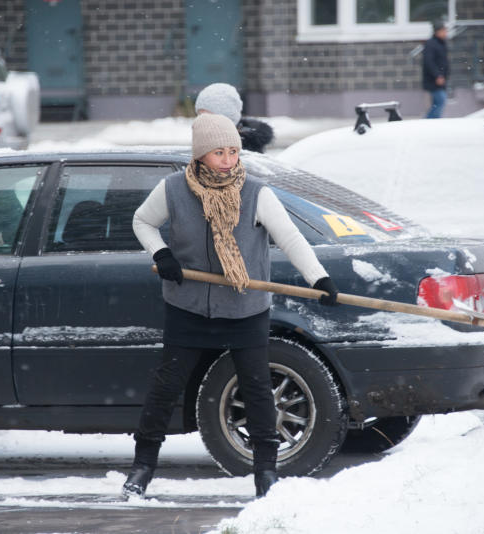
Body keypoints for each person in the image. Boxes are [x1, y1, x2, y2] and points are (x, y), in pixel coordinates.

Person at [124, 113, 338, 499]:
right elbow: (142, 221)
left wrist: (317, 278)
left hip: (244, 309)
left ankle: (265, 472)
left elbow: (290, 237)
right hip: (187, 305)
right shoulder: (173, 189)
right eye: (218, 152)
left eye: (233, 151)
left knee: (257, 389)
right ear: (201, 154)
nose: (227, 159)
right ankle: (142, 467)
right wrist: (162, 253)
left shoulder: (256, 193)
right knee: (166, 387)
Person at [195, 82, 275, 153]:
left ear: (228, 117)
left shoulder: (243, 154)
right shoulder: (204, 145)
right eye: (200, 115)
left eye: (209, 117)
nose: (202, 121)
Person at [422, 21, 450, 119]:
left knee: (437, 103)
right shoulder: (431, 44)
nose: (445, 33)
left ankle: (431, 122)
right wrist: (437, 75)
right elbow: (429, 62)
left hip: (439, 79)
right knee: (440, 101)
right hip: (434, 80)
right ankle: (428, 122)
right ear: (437, 32)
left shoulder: (441, 43)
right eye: (443, 31)